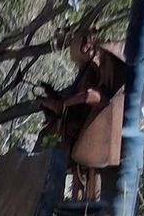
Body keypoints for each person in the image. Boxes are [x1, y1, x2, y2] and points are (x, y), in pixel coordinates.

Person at [38, 26, 129, 201]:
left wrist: (64, 103)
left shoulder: (103, 64)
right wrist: (56, 98)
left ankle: (66, 207)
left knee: (90, 181)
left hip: (97, 132)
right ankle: (57, 205)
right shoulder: (86, 69)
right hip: (82, 133)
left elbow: (96, 96)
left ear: (86, 45)